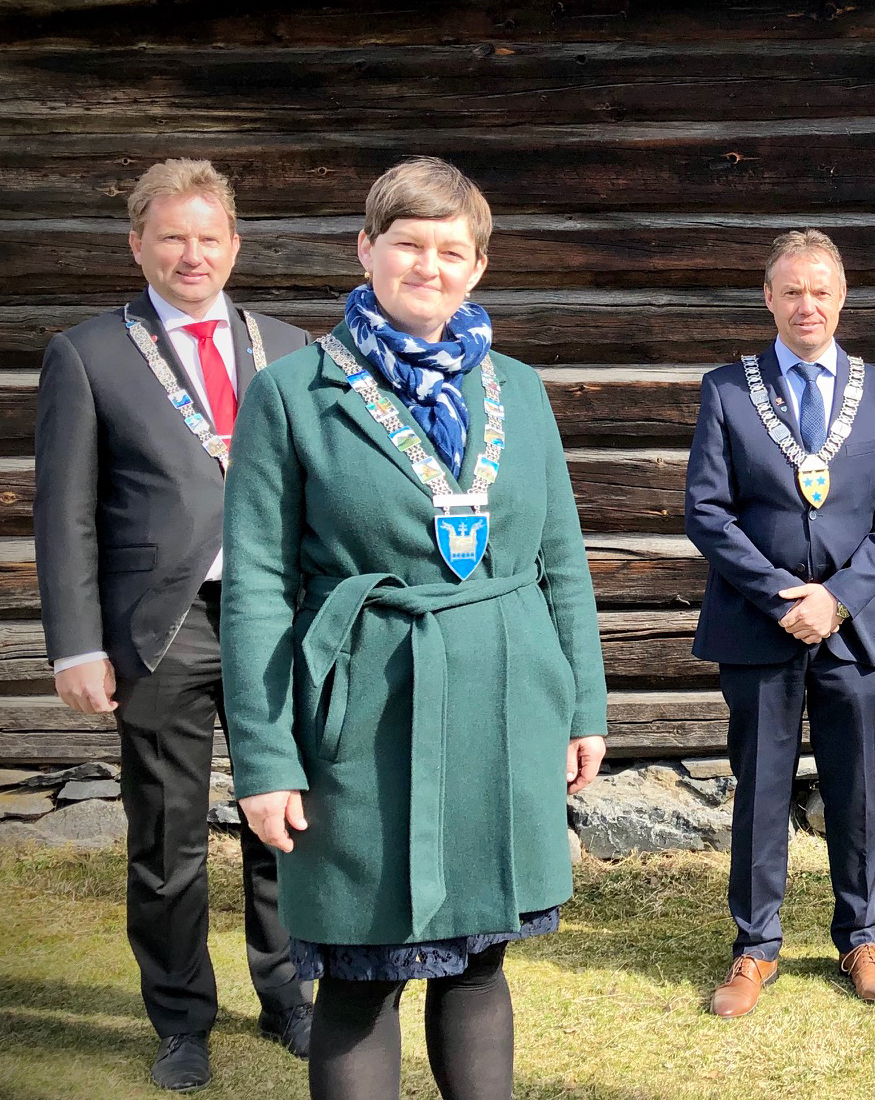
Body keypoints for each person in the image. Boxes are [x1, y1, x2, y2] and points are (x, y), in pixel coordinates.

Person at [221, 156, 608, 1100]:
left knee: (479, 961)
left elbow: (562, 554)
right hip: (363, 708)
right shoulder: (290, 393)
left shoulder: (519, 388)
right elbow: (259, 588)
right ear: (366, 250)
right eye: (408, 245)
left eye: (451, 250)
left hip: (505, 702)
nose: (428, 266)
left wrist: (582, 704)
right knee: (363, 967)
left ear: (477, 265)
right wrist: (265, 761)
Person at [33, 157, 314, 1091]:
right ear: (138, 245)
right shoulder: (88, 353)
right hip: (162, 625)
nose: (191, 254)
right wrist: (77, 642)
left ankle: (290, 996)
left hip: (282, 620)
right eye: (171, 237)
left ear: (234, 245)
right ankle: (181, 1019)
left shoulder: (290, 345)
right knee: (168, 835)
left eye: (208, 237)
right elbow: (64, 511)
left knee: (289, 818)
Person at [685, 229, 875, 1018]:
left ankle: (860, 935)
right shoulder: (726, 389)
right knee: (760, 786)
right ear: (769, 298)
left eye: (820, 290)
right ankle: (755, 948)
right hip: (759, 627)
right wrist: (784, 594)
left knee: (854, 785)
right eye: (791, 290)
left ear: (842, 296)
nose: (807, 304)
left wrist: (838, 597)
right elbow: (707, 512)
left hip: (850, 629)